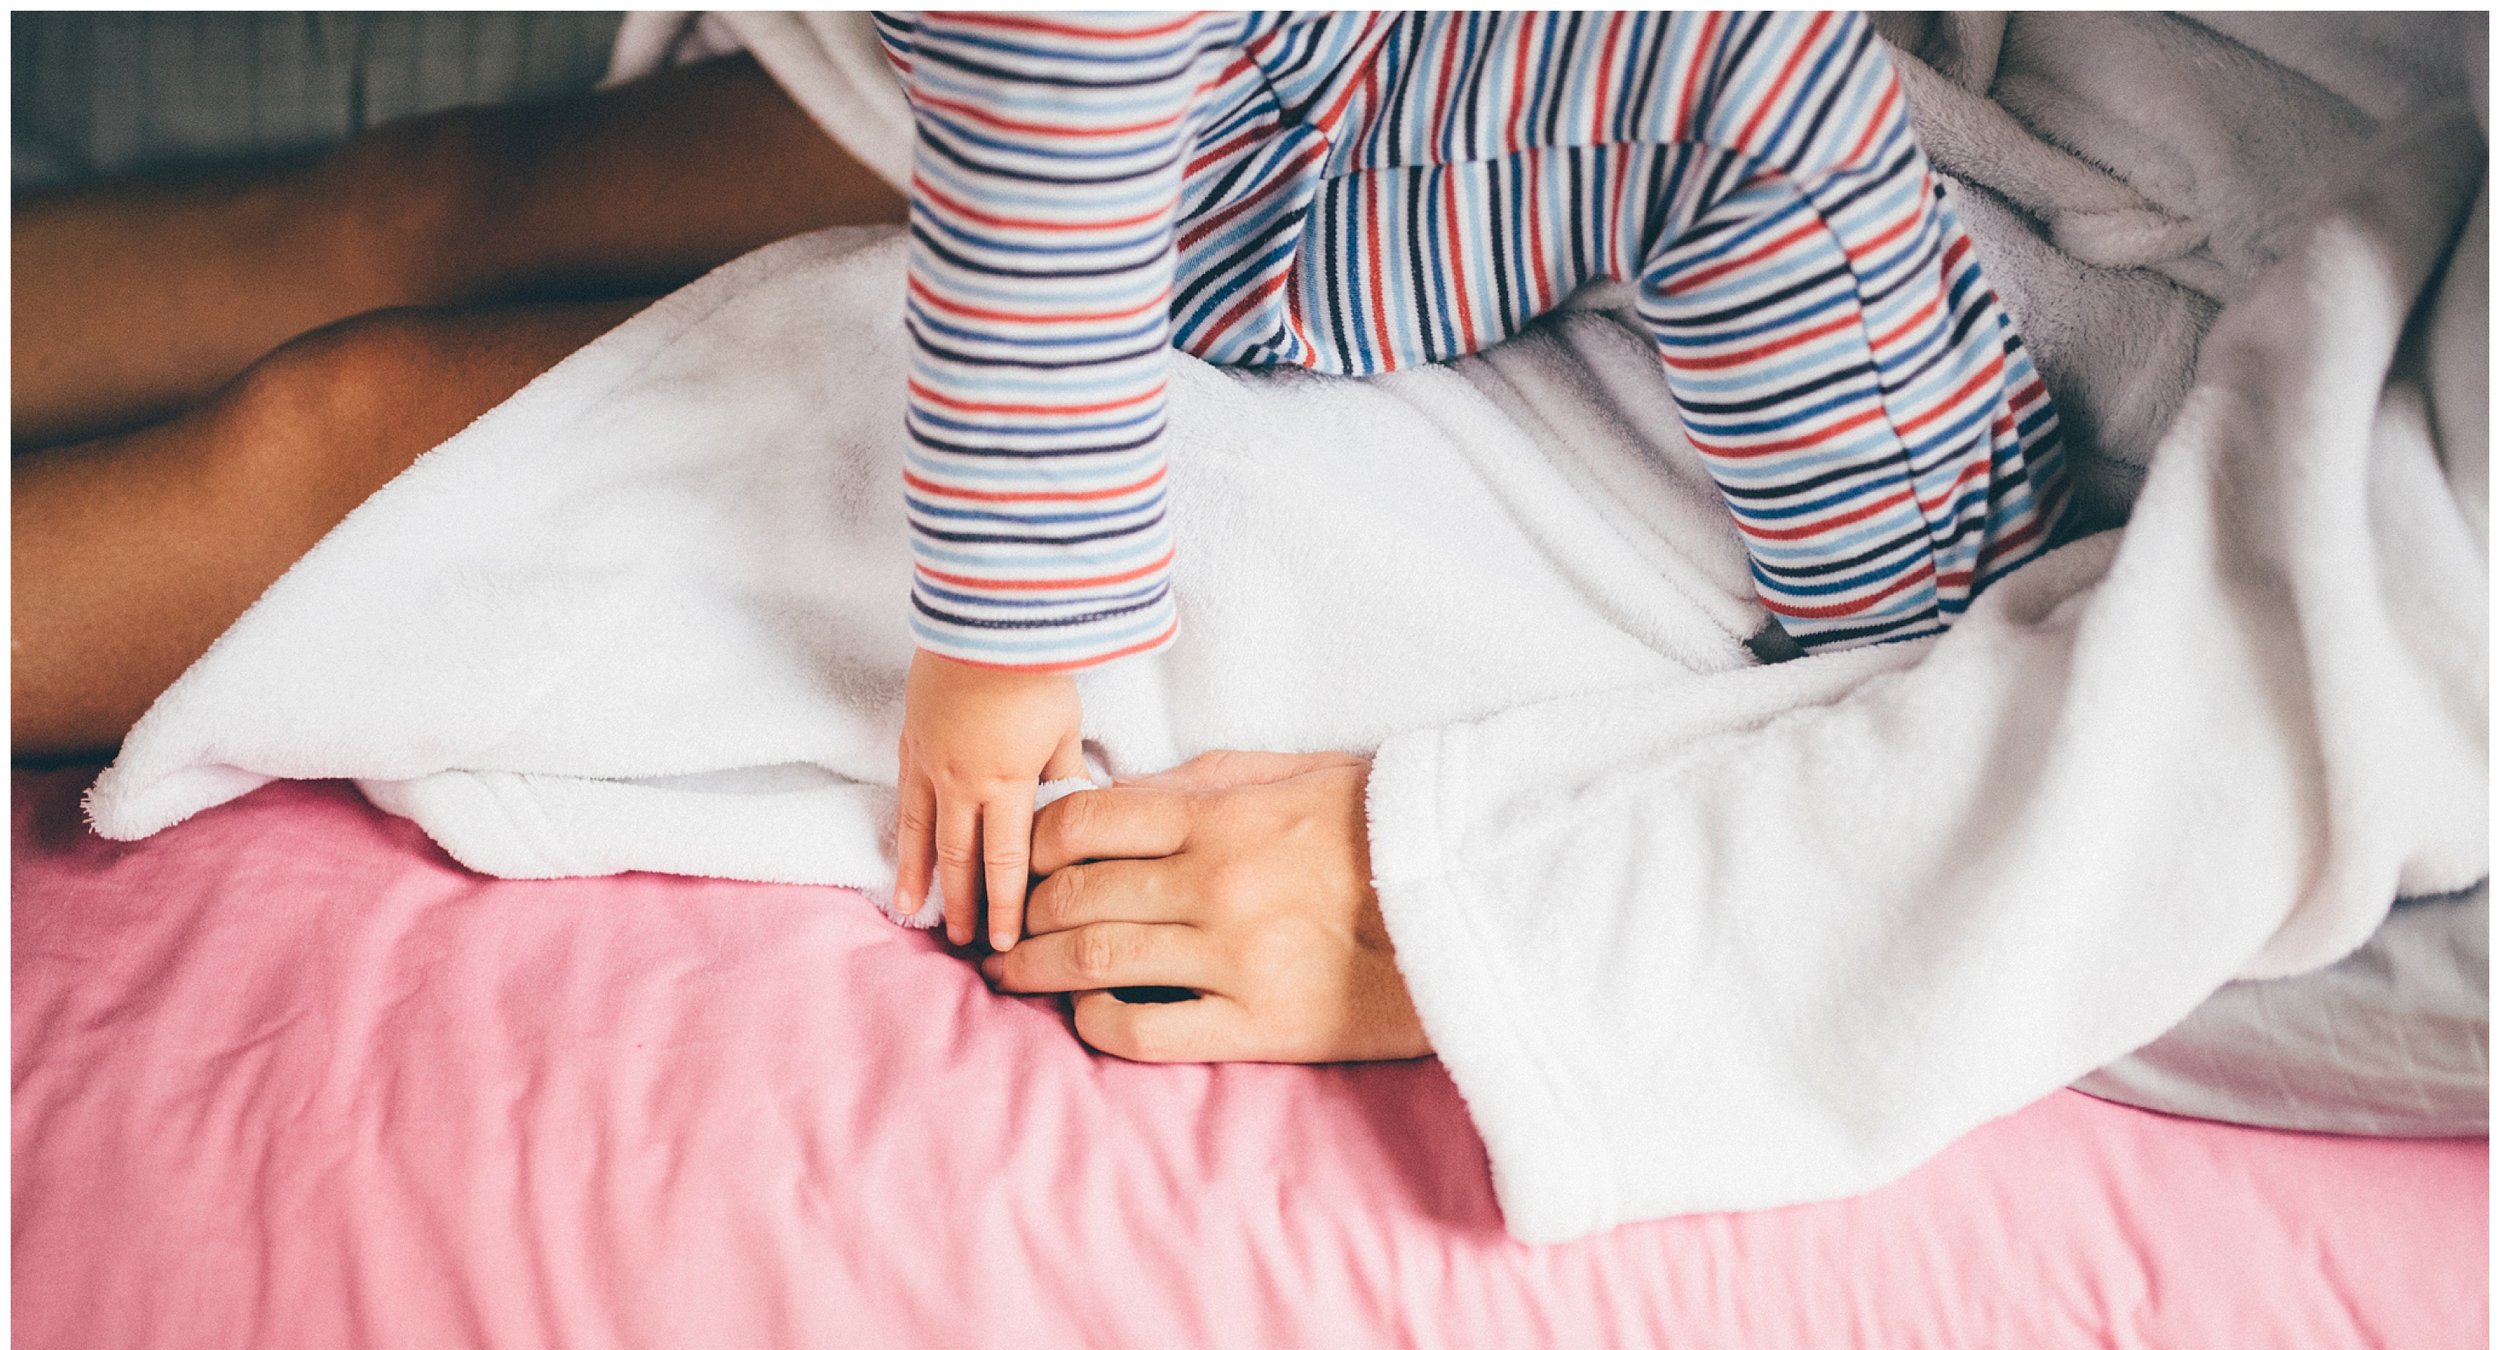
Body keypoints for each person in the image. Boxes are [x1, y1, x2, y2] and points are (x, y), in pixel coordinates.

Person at [10, 14, 2063, 1068]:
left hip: (1441, 199)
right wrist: (1009, 629)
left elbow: (1739, 104)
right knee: (382, 314)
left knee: (361, 401)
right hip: (1316, 149)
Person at [878, 11, 2070, 957]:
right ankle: (1930, 635)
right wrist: (1005, 646)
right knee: (1748, 93)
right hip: (1278, 159)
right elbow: (1051, 118)